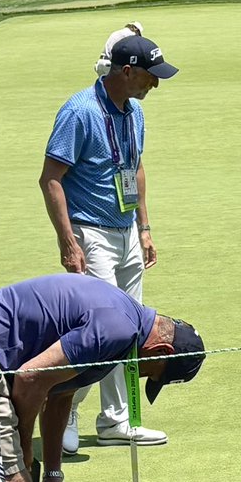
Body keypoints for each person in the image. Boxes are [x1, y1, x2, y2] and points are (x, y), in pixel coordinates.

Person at [0, 274, 205, 482]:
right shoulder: (117, 330)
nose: (141, 377)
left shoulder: (126, 328)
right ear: (161, 351)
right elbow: (30, 378)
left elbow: (60, 395)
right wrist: (25, 450)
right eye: (152, 374)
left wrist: (53, 475)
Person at [40, 28, 180, 452]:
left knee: (131, 328)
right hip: (91, 233)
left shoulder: (134, 112)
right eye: (150, 75)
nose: (155, 82)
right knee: (101, 330)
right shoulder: (79, 111)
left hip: (127, 234)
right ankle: (63, 405)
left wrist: (145, 227)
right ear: (126, 70)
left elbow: (135, 168)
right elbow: (50, 178)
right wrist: (69, 241)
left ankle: (116, 421)